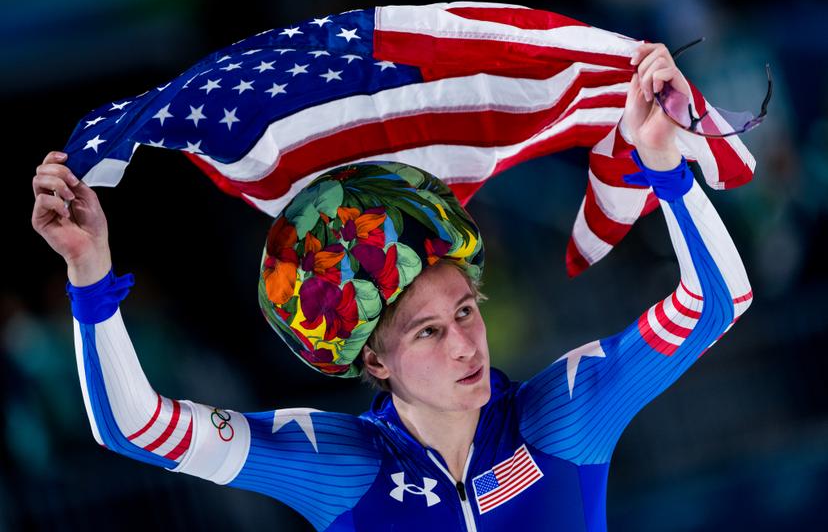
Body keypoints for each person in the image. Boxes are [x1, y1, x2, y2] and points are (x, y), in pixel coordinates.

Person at [32, 43, 752, 531]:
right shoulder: (339, 468)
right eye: (429, 331)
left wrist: (663, 166)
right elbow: (135, 427)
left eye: (465, 311)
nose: (466, 343)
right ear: (373, 359)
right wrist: (90, 276)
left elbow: (719, 302)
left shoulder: (565, 417)